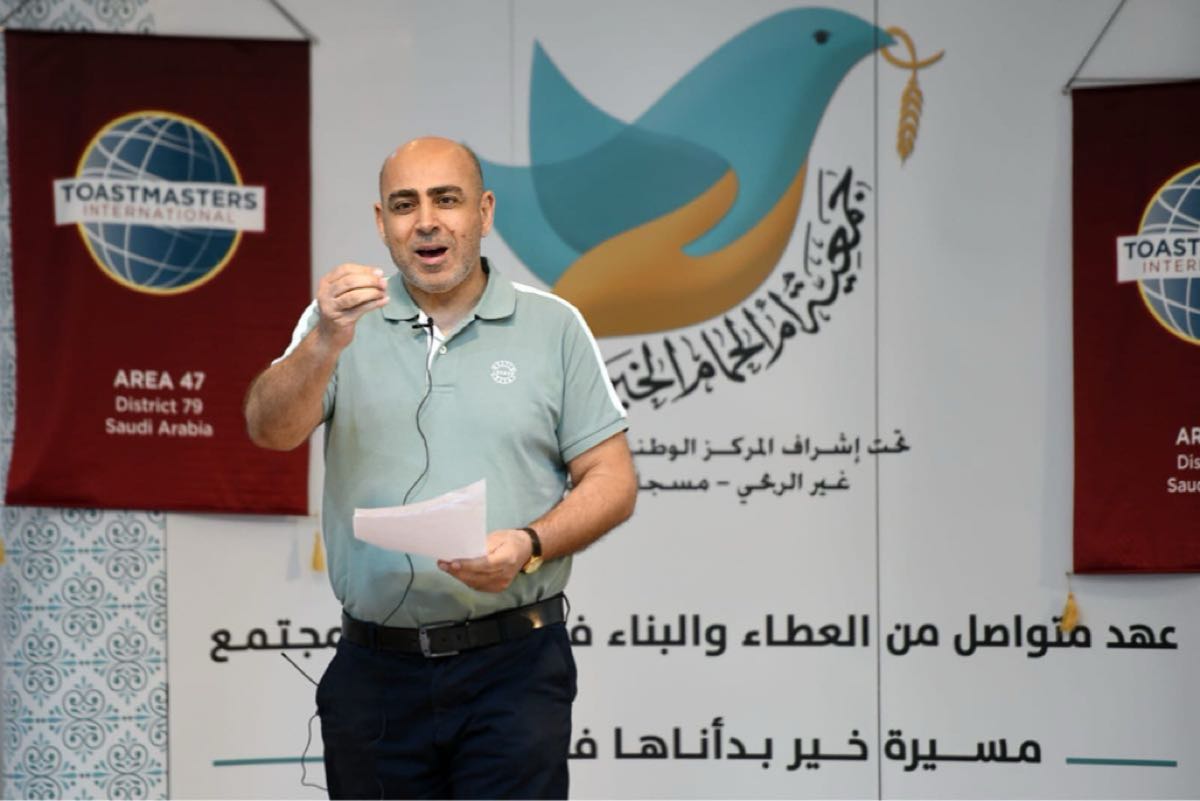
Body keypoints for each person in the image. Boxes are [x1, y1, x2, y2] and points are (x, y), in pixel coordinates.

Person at [244, 136, 637, 799]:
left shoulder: (554, 325)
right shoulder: (337, 323)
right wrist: (324, 342)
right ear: (382, 223)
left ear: (484, 212)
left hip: (513, 669)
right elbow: (269, 430)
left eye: (446, 200)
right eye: (404, 205)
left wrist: (530, 544)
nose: (426, 221)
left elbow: (613, 479)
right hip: (375, 671)